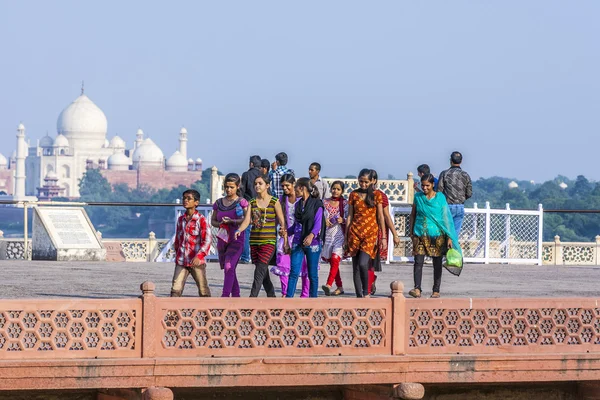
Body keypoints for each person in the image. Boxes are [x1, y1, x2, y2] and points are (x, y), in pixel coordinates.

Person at [409, 174, 462, 298]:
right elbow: (413, 215)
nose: (425, 188)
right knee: (418, 261)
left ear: (433, 185)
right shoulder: (418, 197)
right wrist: (411, 232)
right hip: (420, 233)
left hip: (437, 234)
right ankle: (417, 289)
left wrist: (449, 236)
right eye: (422, 185)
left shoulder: (440, 198)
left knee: (437, 263)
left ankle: (436, 290)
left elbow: (446, 218)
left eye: (427, 185)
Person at [235, 174, 287, 297]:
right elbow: (247, 220)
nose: (257, 186)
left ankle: (252, 299)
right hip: (254, 241)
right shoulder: (252, 202)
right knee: (263, 272)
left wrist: (283, 234)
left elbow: (281, 220)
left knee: (259, 271)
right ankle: (272, 296)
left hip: (268, 241)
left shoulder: (274, 202)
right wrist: (239, 230)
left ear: (267, 186)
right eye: (256, 184)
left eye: (260, 183)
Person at [344, 169, 385, 298]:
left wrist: (383, 236)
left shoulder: (376, 195)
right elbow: (350, 216)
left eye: (366, 182)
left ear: (372, 181)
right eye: (361, 181)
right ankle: (358, 296)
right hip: (355, 232)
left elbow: (380, 216)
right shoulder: (353, 195)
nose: (363, 184)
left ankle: (366, 292)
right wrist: (346, 236)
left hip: (370, 233)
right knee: (355, 266)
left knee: (363, 263)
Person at [211, 173, 250, 297]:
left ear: (237, 187)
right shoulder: (218, 203)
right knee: (229, 269)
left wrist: (232, 221)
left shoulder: (242, 203)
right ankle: (236, 296)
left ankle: (225, 296)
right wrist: (221, 223)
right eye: (226, 187)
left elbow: (246, 220)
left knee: (229, 266)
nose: (228, 189)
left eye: (231, 187)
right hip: (223, 239)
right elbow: (213, 221)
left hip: (236, 239)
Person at [270, 174, 310, 297]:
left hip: (301, 235)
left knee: (305, 266)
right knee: (283, 264)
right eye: (283, 186)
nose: (285, 188)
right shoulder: (282, 199)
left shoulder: (302, 199)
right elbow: (279, 217)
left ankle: (305, 294)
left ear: (294, 184)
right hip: (286, 235)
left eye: (287, 185)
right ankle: (285, 293)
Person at [286, 177, 324, 298]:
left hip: (312, 243)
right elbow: (296, 225)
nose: (294, 190)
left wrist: (311, 235)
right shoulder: (298, 205)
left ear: (302, 188)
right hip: (298, 241)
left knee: (312, 274)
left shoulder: (317, 204)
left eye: (296, 187)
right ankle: (288, 300)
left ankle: (313, 301)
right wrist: (286, 232)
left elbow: (318, 223)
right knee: (293, 272)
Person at [170, 189, 212, 297]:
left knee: (203, 289)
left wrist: (199, 256)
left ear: (196, 202)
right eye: (184, 198)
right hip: (182, 260)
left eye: (189, 199)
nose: (185, 201)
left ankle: (207, 311)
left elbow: (207, 240)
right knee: (175, 289)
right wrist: (177, 251)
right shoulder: (181, 219)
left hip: (196, 260)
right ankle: (172, 313)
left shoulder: (201, 220)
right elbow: (178, 238)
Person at [368, 170, 401, 295]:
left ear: (374, 180)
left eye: (368, 180)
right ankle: (368, 282)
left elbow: (386, 216)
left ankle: (368, 285)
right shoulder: (358, 195)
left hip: (376, 231)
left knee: (369, 260)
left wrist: (394, 235)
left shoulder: (380, 196)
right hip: (361, 231)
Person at [321, 180, 347, 296]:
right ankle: (340, 287)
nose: (335, 191)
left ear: (342, 191)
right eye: (334, 188)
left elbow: (349, 218)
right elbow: (319, 215)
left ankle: (329, 284)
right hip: (328, 234)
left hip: (339, 234)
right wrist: (324, 221)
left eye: (338, 189)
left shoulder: (345, 204)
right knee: (333, 262)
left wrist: (343, 220)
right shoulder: (325, 202)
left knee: (335, 258)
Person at [437, 151, 472, 235]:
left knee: (446, 233)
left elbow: (439, 191)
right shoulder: (465, 175)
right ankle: (453, 248)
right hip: (460, 206)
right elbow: (469, 193)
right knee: (455, 235)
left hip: (447, 206)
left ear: (450, 160)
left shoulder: (444, 173)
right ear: (461, 161)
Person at [240, 155, 262, 263]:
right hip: (261, 205)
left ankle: (245, 256)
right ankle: (258, 256)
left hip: (248, 205)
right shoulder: (263, 175)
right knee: (259, 230)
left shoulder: (246, 175)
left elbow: (242, 191)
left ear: (251, 164)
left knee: (246, 230)